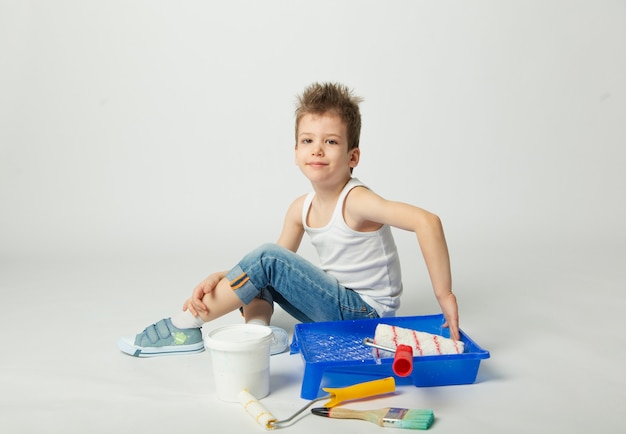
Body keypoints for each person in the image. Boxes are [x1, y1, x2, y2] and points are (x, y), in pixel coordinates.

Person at [117, 82, 459, 358]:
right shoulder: (301, 207)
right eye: (308, 141)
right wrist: (226, 275)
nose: (317, 150)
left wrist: (444, 295)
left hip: (366, 317)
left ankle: (185, 324)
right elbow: (267, 274)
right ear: (295, 151)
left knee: (266, 259)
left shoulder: (356, 200)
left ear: (352, 156)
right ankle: (257, 336)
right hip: (338, 310)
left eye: (331, 142)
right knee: (261, 272)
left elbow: (427, 222)